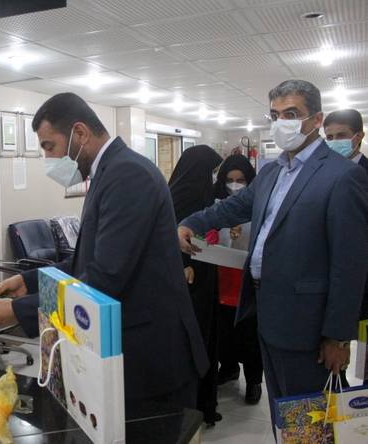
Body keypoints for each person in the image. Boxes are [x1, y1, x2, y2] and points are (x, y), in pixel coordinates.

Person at [0, 92, 209, 419]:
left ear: (80, 133)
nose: (48, 158)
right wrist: (29, 282)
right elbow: (88, 260)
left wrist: (18, 311)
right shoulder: (108, 172)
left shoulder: (128, 175)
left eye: (49, 146)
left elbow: (104, 278)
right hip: (132, 350)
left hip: (152, 358)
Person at [177, 80, 368, 436]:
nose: (282, 123)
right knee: (283, 412)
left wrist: (338, 337)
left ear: (316, 119)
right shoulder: (272, 172)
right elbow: (233, 207)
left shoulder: (342, 176)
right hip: (266, 312)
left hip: (309, 326)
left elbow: (350, 264)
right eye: (275, 115)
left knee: (309, 420)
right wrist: (191, 223)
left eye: (291, 114)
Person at [168, 145, 223, 426]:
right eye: (211, 172)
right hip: (190, 278)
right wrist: (183, 264)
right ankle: (197, 407)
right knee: (196, 340)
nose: (214, 178)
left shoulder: (200, 195)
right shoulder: (181, 197)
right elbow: (167, 238)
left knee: (206, 337)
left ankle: (204, 404)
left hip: (205, 271)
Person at [212, 154, 263, 405]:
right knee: (224, 332)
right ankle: (229, 367)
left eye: (241, 180)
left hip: (249, 281)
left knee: (250, 335)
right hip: (222, 279)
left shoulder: (260, 205)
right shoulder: (216, 206)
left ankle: (254, 380)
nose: (235, 185)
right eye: (230, 180)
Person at [324, 109, 368, 384]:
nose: (333, 142)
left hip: (363, 282)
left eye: (340, 136)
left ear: (358, 137)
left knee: (365, 362)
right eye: (328, 137)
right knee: (334, 363)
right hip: (331, 280)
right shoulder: (323, 174)